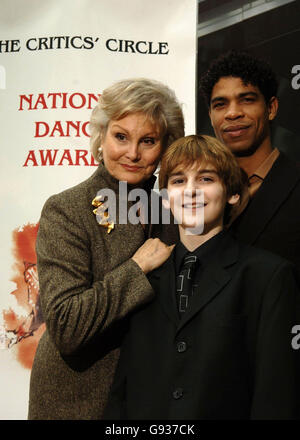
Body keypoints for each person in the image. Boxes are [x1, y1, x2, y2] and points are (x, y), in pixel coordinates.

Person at [105, 134, 299, 419]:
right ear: (166, 197)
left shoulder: (267, 276)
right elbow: (123, 391)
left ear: (232, 192)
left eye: (206, 179)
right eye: (179, 181)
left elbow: (276, 395)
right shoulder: (146, 275)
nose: (190, 191)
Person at [28, 78, 184, 420]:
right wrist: (136, 268)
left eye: (148, 141)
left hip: (151, 401)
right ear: (101, 137)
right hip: (79, 403)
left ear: (164, 147)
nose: (132, 153)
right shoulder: (66, 209)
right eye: (121, 137)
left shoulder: (172, 212)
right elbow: (67, 325)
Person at [199, 50, 300, 276]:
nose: (232, 113)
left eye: (246, 100)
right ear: (211, 116)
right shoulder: (194, 193)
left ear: (271, 108)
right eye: (220, 104)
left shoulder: (295, 183)